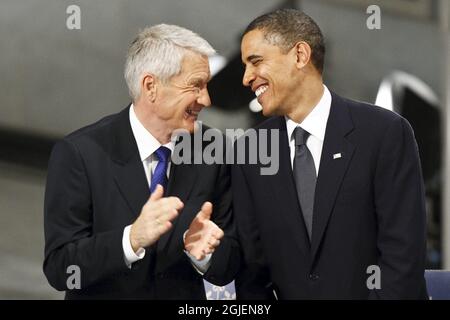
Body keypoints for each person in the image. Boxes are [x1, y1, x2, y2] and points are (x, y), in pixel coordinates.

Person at [233, 9, 428, 299]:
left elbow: (402, 259)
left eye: (256, 61)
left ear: (300, 55)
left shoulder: (384, 133)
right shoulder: (250, 150)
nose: (247, 78)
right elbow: (252, 272)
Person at [43, 24, 239, 299]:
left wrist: (204, 256)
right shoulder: (80, 153)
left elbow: (230, 266)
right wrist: (130, 240)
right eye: (196, 85)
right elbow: (60, 268)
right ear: (151, 86)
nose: (206, 99)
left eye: (206, 85)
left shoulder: (215, 152)